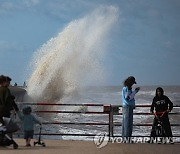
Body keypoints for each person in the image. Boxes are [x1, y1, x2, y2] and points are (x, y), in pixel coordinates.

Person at [122, 76, 140, 142]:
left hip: (126, 106)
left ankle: (125, 138)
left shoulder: (125, 88)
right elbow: (128, 98)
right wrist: (135, 91)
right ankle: (127, 138)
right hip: (128, 107)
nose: (133, 84)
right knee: (128, 123)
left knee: (125, 123)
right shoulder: (128, 88)